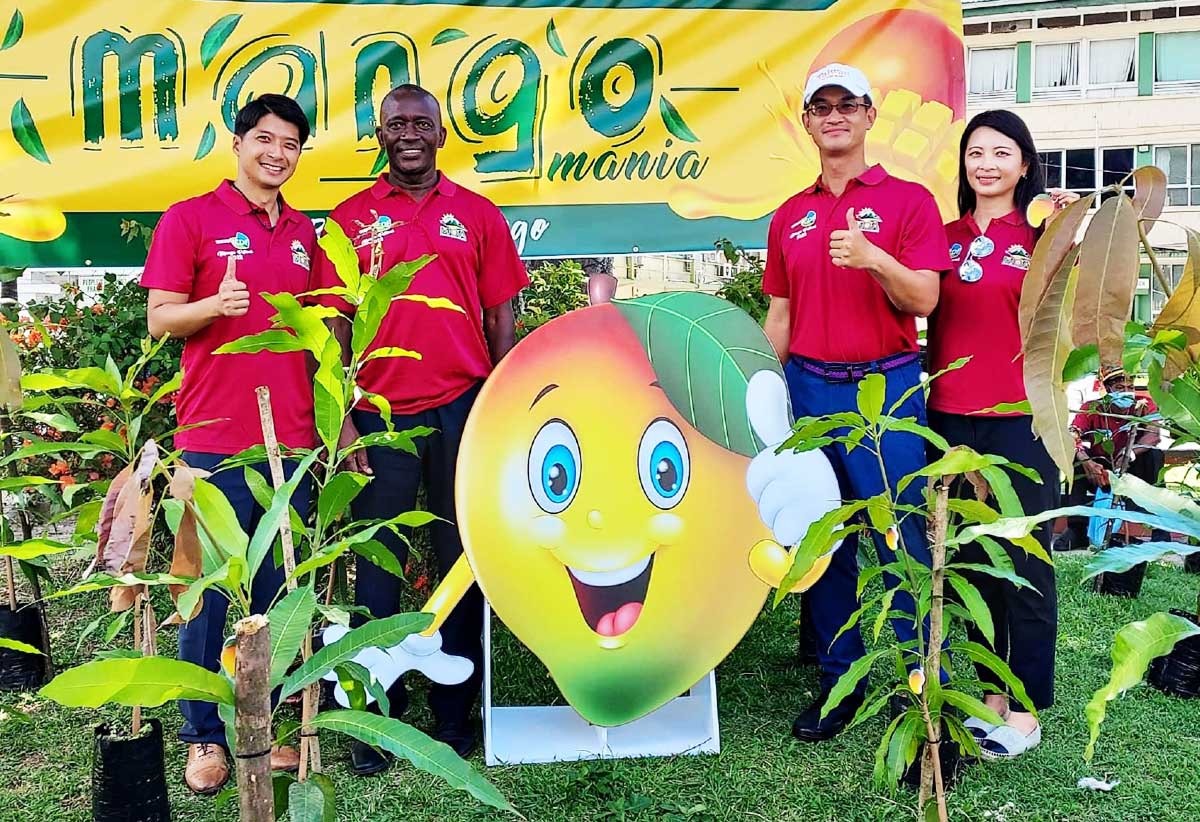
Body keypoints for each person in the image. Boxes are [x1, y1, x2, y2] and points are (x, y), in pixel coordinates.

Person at [310, 83, 528, 772]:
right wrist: (342, 428)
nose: (409, 133)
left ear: (440, 134)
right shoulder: (348, 219)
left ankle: (455, 713)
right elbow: (331, 332)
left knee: (459, 561)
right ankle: (375, 716)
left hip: (463, 411)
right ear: (379, 135)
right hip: (376, 416)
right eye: (395, 123)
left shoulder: (478, 215)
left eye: (421, 123)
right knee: (376, 568)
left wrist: (500, 411)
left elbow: (502, 318)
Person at [761, 63, 952, 741]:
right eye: (822, 106)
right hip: (809, 390)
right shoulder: (790, 214)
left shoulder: (909, 202)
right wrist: (752, 387)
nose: (835, 116)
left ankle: (924, 689)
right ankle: (841, 683)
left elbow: (924, 299)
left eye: (849, 105)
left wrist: (874, 258)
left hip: (887, 390)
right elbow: (778, 318)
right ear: (808, 122)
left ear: (870, 116)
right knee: (827, 541)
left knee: (899, 538)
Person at [141, 94, 316, 794]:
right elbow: (159, 320)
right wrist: (215, 306)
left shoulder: (305, 231)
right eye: (265, 139)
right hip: (211, 442)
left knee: (275, 593)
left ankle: (262, 725)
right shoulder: (191, 219)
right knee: (203, 593)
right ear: (238, 142)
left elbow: (323, 328)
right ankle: (203, 739)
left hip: (291, 444)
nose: (278, 153)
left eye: (291, 144)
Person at [926, 109, 1077, 759]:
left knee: (1025, 565)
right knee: (976, 564)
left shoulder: (1043, 233)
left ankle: (1026, 708)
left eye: (1001, 152)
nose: (986, 163)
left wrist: (1068, 230)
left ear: (1023, 164)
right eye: (975, 152)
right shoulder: (944, 236)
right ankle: (989, 692)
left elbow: (1073, 305)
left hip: (1022, 421)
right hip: (951, 420)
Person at [1055, 368, 1166, 550]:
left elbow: (1154, 435)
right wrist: (1086, 461)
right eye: (1119, 387)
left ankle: (1160, 531)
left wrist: (1129, 453)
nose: (1125, 392)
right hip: (1101, 468)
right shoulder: (1093, 408)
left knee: (1154, 456)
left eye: (1130, 387)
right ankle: (1077, 529)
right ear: (1107, 388)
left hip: (1132, 465)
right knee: (1076, 461)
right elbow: (1071, 434)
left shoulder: (1144, 404)